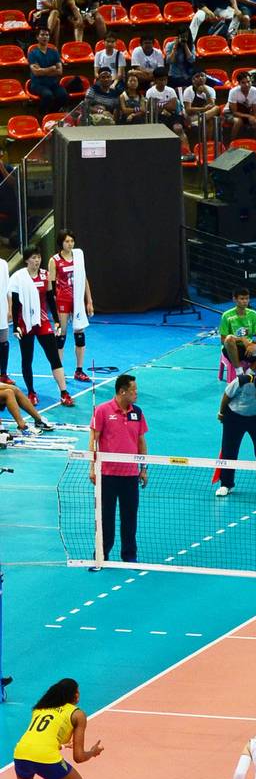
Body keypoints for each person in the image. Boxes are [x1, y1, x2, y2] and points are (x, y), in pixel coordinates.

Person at [88, 373, 147, 564]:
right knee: (106, 519)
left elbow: (140, 441)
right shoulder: (103, 411)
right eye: (133, 390)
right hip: (107, 475)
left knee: (130, 519)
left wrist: (143, 467)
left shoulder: (137, 412)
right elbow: (93, 441)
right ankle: (101, 556)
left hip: (130, 476)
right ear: (122, 391)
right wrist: (92, 467)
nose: (136, 393)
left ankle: (129, 556)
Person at [10, 247, 73, 407]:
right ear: (26, 260)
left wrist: (57, 321)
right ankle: (31, 392)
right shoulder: (19, 277)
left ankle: (64, 393)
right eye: (33, 258)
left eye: (38, 257)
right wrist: (16, 326)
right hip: (25, 323)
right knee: (27, 359)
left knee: (54, 357)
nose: (37, 260)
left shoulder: (45, 275)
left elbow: (51, 300)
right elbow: (16, 304)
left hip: (43, 322)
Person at [216, 362, 256, 501]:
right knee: (229, 451)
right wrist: (222, 413)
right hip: (234, 417)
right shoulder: (243, 381)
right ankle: (226, 485)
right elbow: (227, 395)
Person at [47, 232, 93, 383]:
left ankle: (79, 370)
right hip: (62, 300)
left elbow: (84, 278)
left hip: (77, 300)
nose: (70, 244)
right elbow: (51, 286)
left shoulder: (78, 257)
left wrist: (89, 300)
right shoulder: (54, 260)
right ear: (61, 243)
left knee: (80, 333)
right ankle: (59, 369)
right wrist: (54, 309)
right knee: (61, 335)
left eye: (72, 241)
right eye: (67, 241)